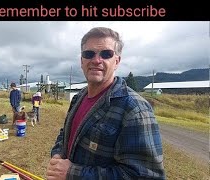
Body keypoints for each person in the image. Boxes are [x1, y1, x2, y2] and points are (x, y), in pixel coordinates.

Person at [46, 27, 165, 179]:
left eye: (106, 54)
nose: (96, 60)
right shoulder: (79, 97)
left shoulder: (135, 109)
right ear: (82, 61)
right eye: (89, 54)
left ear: (117, 61)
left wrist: (72, 173)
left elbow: (145, 176)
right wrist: (57, 155)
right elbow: (66, 135)